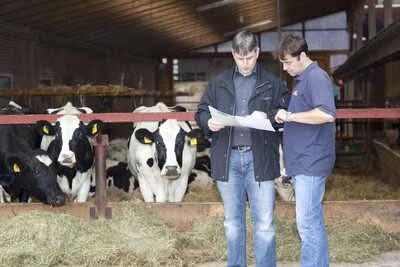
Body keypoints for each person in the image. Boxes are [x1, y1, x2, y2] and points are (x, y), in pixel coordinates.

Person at [195, 30, 290, 267]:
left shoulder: (273, 83)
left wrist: (267, 114)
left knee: (265, 224)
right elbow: (201, 112)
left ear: (257, 52)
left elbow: (286, 110)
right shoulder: (218, 83)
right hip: (228, 160)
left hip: (261, 158)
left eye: (249, 57)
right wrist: (208, 122)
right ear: (233, 54)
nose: (245, 63)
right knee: (232, 222)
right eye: (240, 58)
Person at [274, 33, 336, 267]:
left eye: (288, 62)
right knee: (313, 223)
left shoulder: (316, 78)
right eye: (282, 63)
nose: (285, 68)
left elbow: (327, 114)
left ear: (302, 56)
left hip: (312, 161)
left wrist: (290, 116)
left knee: (307, 224)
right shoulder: (302, 78)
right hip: (304, 162)